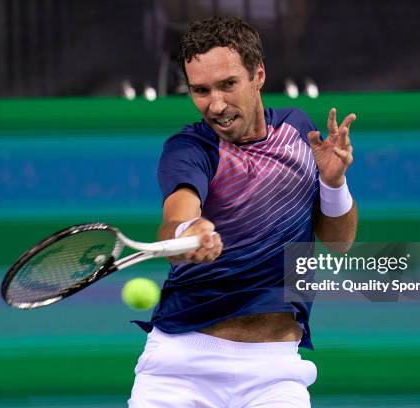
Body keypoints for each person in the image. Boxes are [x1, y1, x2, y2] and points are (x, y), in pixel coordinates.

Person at [129, 15, 357, 407]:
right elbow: (177, 216)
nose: (215, 105)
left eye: (227, 85)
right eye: (200, 91)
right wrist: (188, 231)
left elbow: (339, 243)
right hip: (180, 368)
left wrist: (334, 183)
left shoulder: (298, 129)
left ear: (259, 76)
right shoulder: (190, 149)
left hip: (275, 372)